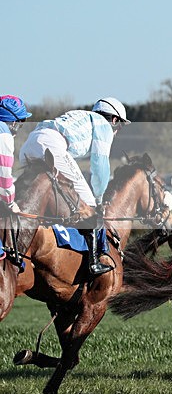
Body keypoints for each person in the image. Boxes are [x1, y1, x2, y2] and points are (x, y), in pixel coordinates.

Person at [19, 97, 130, 275]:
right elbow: (100, 166)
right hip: (51, 145)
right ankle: (94, 263)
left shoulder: (83, 116)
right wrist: (98, 199)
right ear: (115, 119)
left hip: (29, 144)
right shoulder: (104, 125)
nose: (117, 132)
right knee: (88, 207)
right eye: (120, 126)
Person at [0, 95, 32, 217]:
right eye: (21, 123)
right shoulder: (4, 134)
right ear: (14, 122)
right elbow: (4, 177)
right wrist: (10, 203)